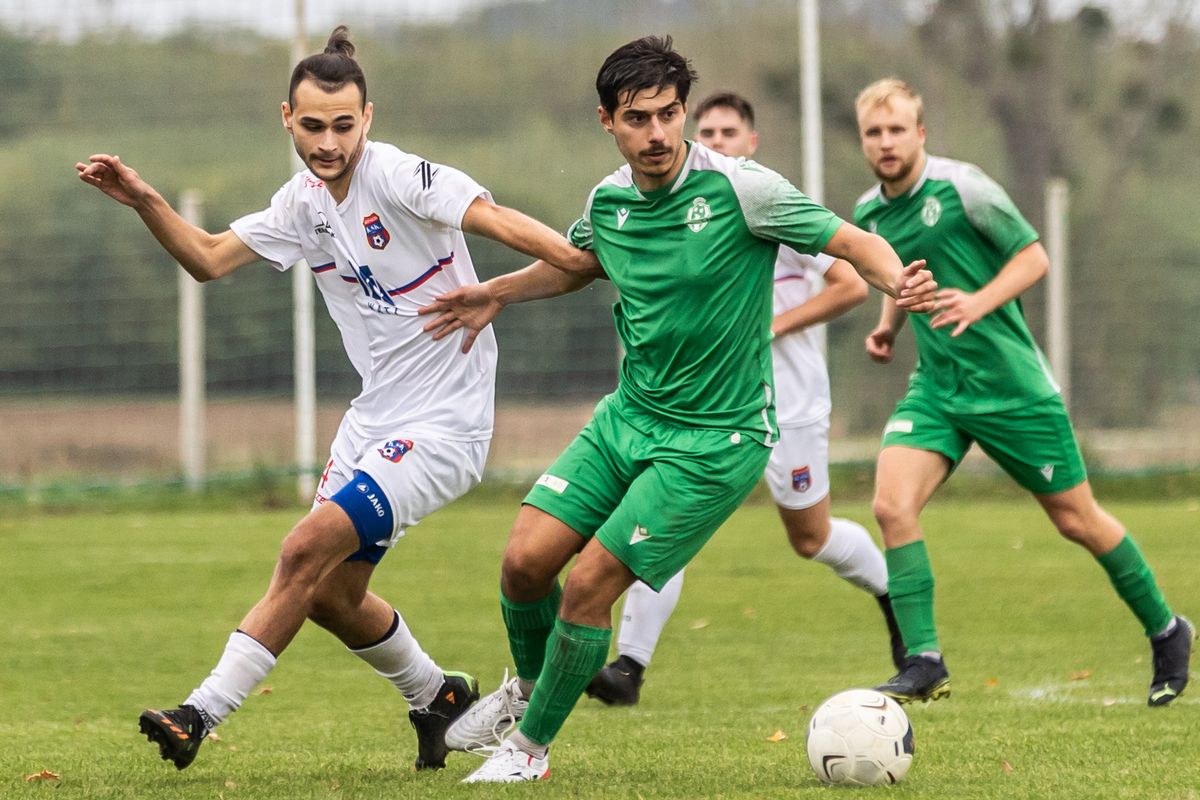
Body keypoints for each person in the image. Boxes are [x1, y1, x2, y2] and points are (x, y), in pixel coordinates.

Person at [75, 26, 601, 772]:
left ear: (369, 119)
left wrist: (573, 265)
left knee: (302, 549)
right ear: (286, 118)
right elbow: (207, 259)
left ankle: (199, 714)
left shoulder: (401, 178)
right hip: (373, 421)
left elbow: (499, 220)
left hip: (443, 428)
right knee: (327, 594)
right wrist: (143, 198)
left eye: (343, 126)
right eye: (313, 126)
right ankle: (439, 698)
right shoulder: (302, 204)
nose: (328, 143)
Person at [419, 37, 937, 783]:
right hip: (629, 417)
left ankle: (528, 751)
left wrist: (898, 281)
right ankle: (531, 692)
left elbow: (853, 241)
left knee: (593, 581)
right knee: (525, 562)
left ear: (684, 112)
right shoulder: (610, 201)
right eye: (638, 118)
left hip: (715, 440)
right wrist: (493, 293)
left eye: (669, 114)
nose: (657, 133)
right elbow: (578, 264)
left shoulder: (741, 189)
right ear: (608, 121)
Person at [852, 78, 1193, 706]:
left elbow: (1033, 257)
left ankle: (1168, 631)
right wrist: (887, 325)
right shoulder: (869, 212)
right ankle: (924, 658)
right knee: (891, 506)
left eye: (897, 129)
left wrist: (978, 302)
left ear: (920, 133)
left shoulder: (964, 187)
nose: (886, 142)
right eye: (874, 132)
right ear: (864, 142)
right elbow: (903, 278)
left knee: (1077, 520)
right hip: (938, 390)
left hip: (1012, 389)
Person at [584, 91, 903, 708]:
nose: (719, 139)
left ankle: (894, 596)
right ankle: (629, 665)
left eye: (730, 130)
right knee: (660, 520)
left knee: (811, 538)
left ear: (751, 142)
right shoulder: (673, 214)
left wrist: (772, 327)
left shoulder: (765, 206)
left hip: (790, 402)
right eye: (710, 129)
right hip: (700, 409)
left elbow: (847, 286)